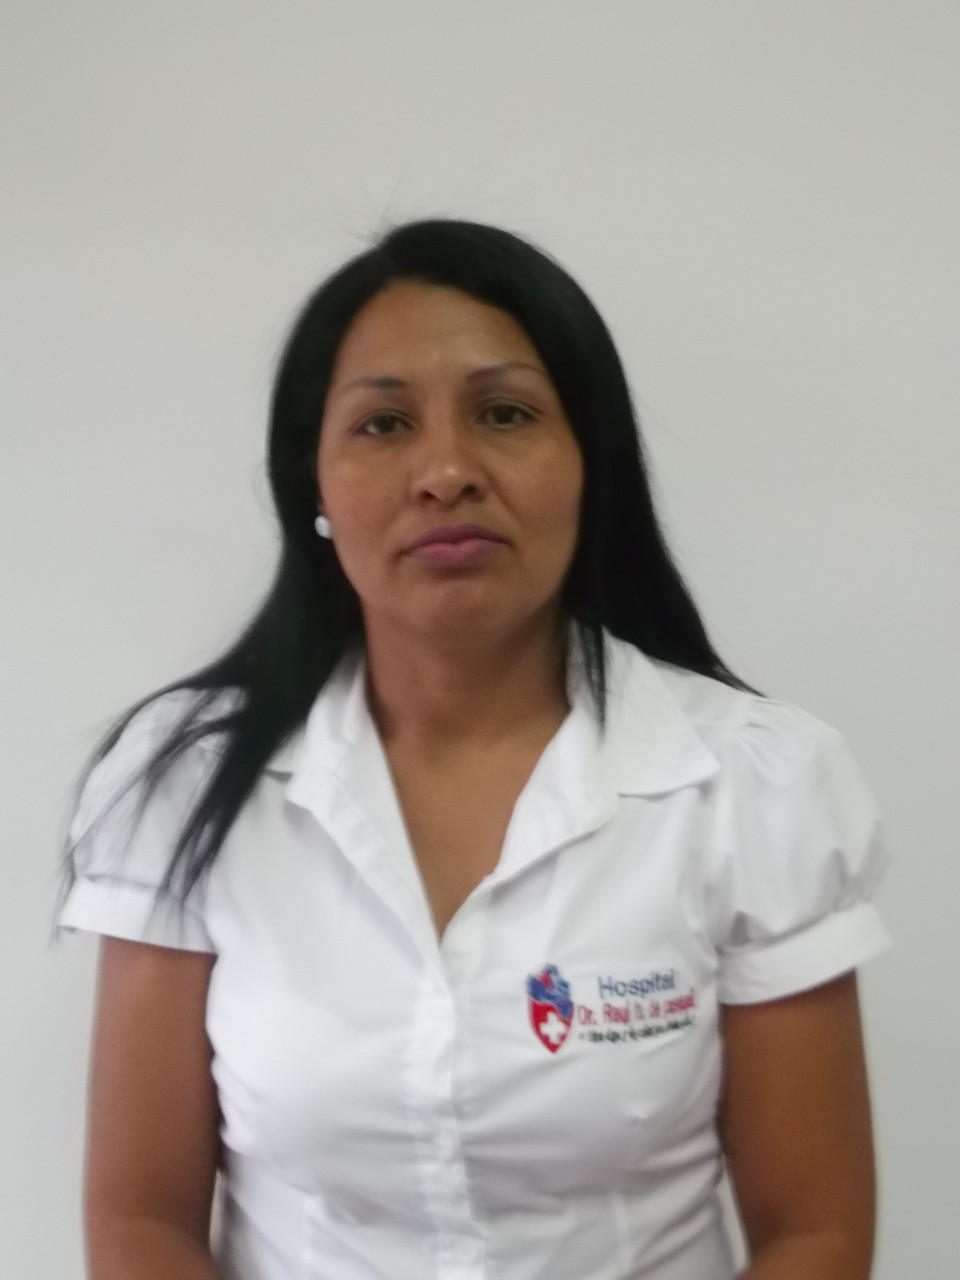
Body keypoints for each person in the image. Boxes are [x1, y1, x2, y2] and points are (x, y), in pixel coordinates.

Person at [58, 218, 890, 1280]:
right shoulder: (184, 783)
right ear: (313, 484)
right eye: (383, 424)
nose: (446, 471)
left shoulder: (753, 784)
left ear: (589, 464)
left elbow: (813, 1230)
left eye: (505, 414)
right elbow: (142, 1219)